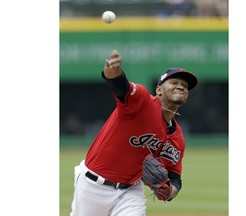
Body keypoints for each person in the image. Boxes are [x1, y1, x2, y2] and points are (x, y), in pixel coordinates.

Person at [70, 50, 198, 216]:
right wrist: (112, 70)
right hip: (93, 185)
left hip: (130, 191)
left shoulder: (178, 138)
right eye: (174, 82)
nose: (181, 86)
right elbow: (118, 84)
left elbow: (175, 176)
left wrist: (170, 191)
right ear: (159, 90)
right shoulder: (142, 101)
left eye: (185, 86)